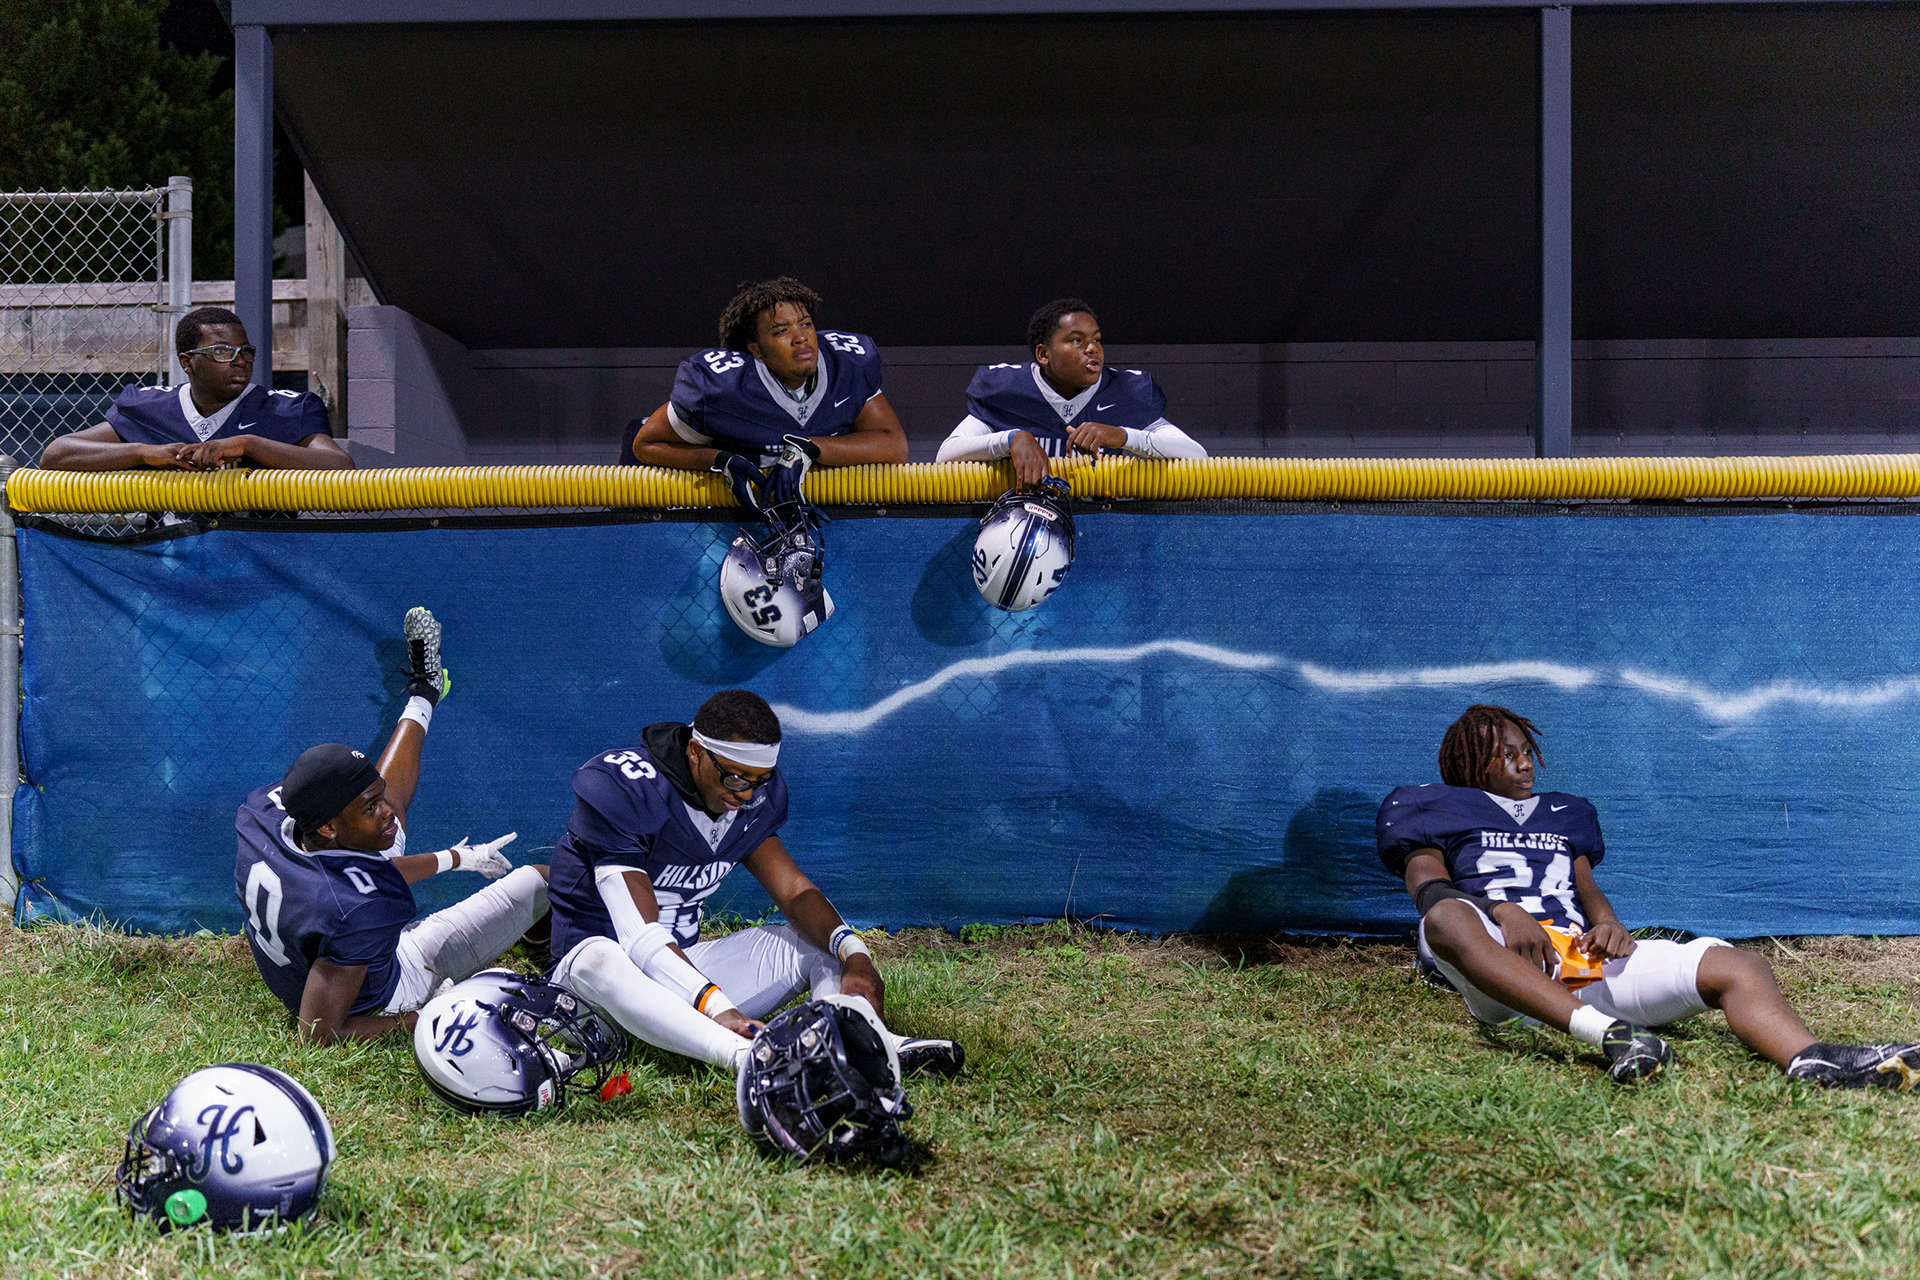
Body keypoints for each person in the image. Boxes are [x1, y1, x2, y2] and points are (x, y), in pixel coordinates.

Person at [1378, 704, 1920, 1088]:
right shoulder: (1432, 807)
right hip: (1498, 960)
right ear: (1471, 764)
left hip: (1573, 954)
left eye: (1527, 752)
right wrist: (1500, 909)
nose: (1525, 763)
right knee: (1447, 920)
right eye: (1506, 755)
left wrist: (1609, 923)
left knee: (1735, 964)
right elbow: (1428, 889)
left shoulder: (1564, 811)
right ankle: (1612, 1036)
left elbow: (1585, 887)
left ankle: (1809, 1059)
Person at [546, 688, 964, 1080]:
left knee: (817, 942)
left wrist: (855, 953)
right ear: (695, 752)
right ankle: (756, 1060)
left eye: (759, 780)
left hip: (686, 970)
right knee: (599, 956)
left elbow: (796, 891)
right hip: (593, 995)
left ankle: (861, 1043)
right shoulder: (625, 787)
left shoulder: (750, 795)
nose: (746, 794)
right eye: (735, 778)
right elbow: (639, 937)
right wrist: (716, 1005)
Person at [234, 608, 549, 1044]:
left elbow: (366, 874)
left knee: (380, 822)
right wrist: (426, 1017)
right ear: (326, 827)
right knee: (542, 880)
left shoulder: (260, 814)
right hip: (384, 991)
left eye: (379, 797)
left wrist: (458, 858)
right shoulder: (356, 908)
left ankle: (425, 692)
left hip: (313, 953)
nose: (386, 812)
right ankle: (546, 948)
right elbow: (318, 1033)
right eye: (370, 808)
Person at [622, 278, 907, 504]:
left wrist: (809, 448)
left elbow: (893, 444)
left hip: (818, 514)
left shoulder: (846, 364)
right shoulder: (723, 386)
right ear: (756, 349)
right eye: (781, 331)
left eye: (806, 323)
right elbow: (645, 444)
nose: (801, 338)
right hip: (733, 522)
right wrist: (720, 460)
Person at [40, 306, 353, 473]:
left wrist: (247, 444)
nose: (240, 361)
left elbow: (341, 466)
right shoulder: (150, 407)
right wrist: (144, 452)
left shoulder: (285, 408)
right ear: (186, 362)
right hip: (169, 564)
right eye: (222, 351)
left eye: (245, 351)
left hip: (259, 567)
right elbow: (57, 454)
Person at [937, 299, 1206, 488]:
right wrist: (1011, 439)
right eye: (1077, 340)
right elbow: (946, 455)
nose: (1092, 348)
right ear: (1043, 354)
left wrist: (1123, 435)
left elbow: (1197, 456)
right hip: (1026, 527)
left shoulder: (1127, 391)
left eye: (1097, 339)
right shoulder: (1006, 389)